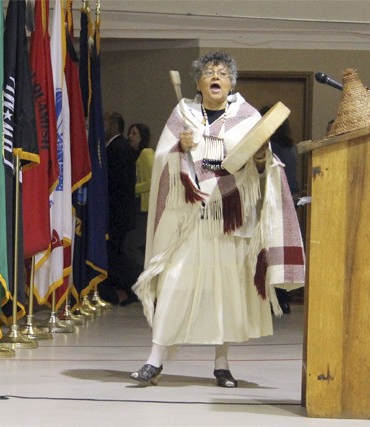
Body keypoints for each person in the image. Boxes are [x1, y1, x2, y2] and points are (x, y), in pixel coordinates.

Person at [130, 52, 305, 387]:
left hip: (229, 220)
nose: (215, 77)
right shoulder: (183, 114)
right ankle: (155, 361)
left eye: (223, 73)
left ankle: (221, 364)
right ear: (198, 82)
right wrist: (179, 150)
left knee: (225, 292)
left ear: (231, 83)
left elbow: (263, 166)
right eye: (209, 72)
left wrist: (256, 157)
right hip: (191, 219)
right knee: (174, 284)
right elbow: (164, 165)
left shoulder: (248, 116)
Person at [259, 105, 300, 314]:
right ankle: (283, 298)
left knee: (266, 251)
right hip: (289, 201)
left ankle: (268, 298)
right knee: (281, 251)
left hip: (271, 200)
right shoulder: (290, 146)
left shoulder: (269, 146)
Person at [99, 111, 138, 305]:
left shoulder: (118, 147)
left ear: (114, 126)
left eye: (105, 123)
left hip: (117, 212)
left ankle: (135, 286)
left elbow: (117, 181)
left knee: (114, 253)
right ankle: (121, 289)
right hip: (117, 211)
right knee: (114, 252)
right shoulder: (115, 146)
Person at [121, 123, 154, 305]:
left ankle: (146, 281)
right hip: (140, 208)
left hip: (145, 208)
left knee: (131, 246)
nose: (130, 136)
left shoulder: (146, 154)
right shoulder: (137, 155)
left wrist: (131, 189)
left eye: (134, 133)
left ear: (142, 137)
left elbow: (152, 180)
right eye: (129, 133)